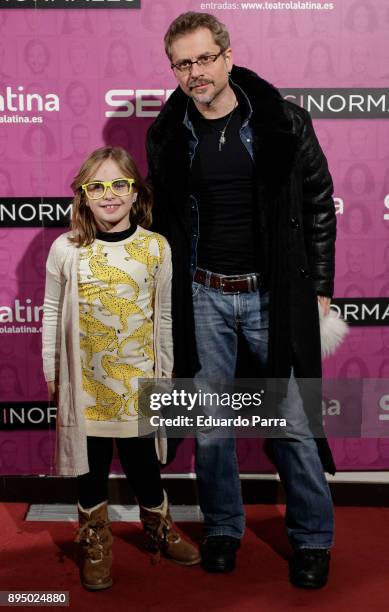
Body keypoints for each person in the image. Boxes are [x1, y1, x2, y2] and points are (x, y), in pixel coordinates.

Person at [146, 12, 336, 588]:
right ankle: (223, 527)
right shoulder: (167, 133)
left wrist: (321, 286)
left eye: (205, 58)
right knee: (210, 425)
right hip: (203, 294)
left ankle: (313, 539)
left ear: (227, 56)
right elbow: (164, 220)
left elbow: (319, 203)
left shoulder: (283, 120)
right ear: (174, 70)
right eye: (184, 63)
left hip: (274, 294)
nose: (196, 72)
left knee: (294, 422)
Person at [42, 146, 200, 591]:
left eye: (119, 185)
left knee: (143, 467)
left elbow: (164, 317)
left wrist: (165, 376)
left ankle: (159, 528)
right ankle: (94, 540)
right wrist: (52, 373)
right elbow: (52, 312)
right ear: (83, 196)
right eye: (97, 186)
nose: (108, 195)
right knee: (90, 469)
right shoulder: (66, 248)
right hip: (85, 384)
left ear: (135, 193)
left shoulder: (155, 248)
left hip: (137, 382)